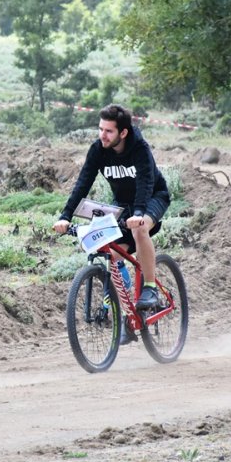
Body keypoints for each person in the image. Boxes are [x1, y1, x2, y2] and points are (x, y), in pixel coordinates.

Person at [53, 104, 172, 325]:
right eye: (100, 129)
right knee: (114, 257)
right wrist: (65, 216)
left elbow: (146, 183)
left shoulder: (139, 148)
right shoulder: (98, 150)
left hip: (154, 197)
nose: (102, 135)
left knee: (139, 228)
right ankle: (127, 314)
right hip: (122, 204)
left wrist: (138, 213)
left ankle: (150, 288)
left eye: (109, 131)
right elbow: (83, 183)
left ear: (123, 132)